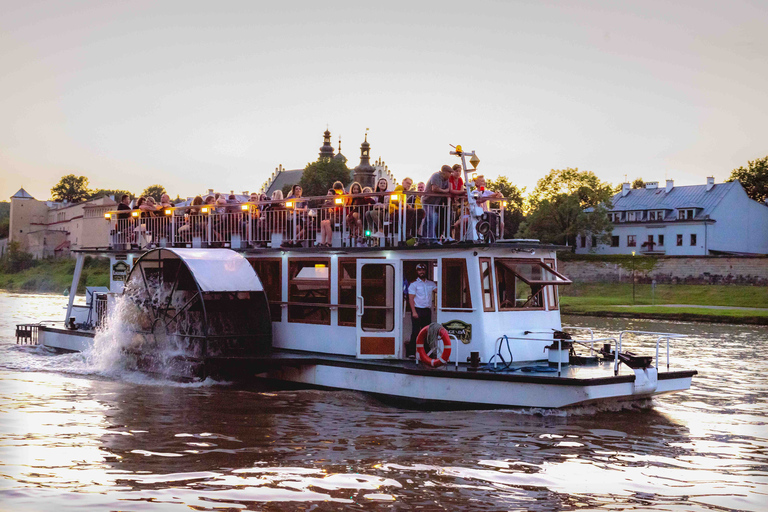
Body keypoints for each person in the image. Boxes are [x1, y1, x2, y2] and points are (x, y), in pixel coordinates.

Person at [407, 262, 437, 358]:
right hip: (417, 310)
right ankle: (411, 353)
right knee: (415, 332)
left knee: (427, 332)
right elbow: (411, 299)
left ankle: (427, 353)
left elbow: (439, 291)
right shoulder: (413, 284)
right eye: (419, 270)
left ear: (425, 271)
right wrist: (414, 312)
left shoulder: (431, 283)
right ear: (417, 271)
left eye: (423, 270)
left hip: (427, 310)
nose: (421, 272)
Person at [421, 165, 452, 243]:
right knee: (431, 219)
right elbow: (435, 188)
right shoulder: (436, 176)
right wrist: (445, 191)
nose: (450, 174)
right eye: (449, 172)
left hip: (435, 203)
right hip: (427, 201)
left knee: (428, 220)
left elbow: (449, 189)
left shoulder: (446, 180)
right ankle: (432, 240)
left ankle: (423, 239)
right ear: (444, 172)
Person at [319, 181, 345, 247]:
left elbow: (340, 209)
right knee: (322, 222)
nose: (328, 195)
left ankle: (329, 242)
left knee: (327, 222)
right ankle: (323, 242)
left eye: (330, 194)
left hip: (336, 217)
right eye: (328, 194)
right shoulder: (325, 203)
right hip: (328, 217)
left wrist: (333, 210)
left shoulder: (336, 201)